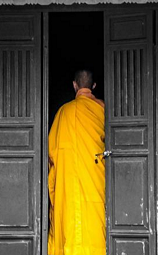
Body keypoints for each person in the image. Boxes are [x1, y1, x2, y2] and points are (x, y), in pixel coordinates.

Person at [48, 69, 106, 255]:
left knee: (69, 229)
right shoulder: (103, 110)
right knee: (95, 228)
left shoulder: (63, 113)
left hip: (68, 189)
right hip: (95, 183)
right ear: (94, 86)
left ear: (74, 85)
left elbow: (51, 155)